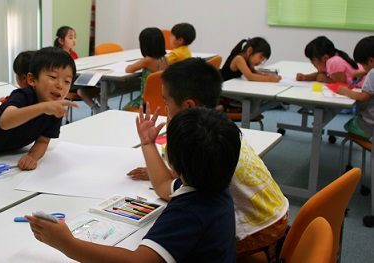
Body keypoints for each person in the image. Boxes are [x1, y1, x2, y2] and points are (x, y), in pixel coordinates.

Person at [26, 106, 240, 263]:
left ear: (173, 163)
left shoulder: (189, 212)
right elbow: (164, 184)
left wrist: (68, 244)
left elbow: (140, 261)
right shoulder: (214, 184)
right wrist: (148, 144)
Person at [128, 58, 289, 262]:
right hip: (276, 213)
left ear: (188, 106)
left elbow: (164, 186)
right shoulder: (223, 130)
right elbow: (170, 180)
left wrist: (153, 148)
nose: (165, 110)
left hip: (262, 229)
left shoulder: (201, 145)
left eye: (167, 103)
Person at [123, 27, 169, 111]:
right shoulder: (165, 59)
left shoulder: (147, 61)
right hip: (160, 99)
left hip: (145, 102)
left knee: (125, 108)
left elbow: (128, 69)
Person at [337, 36, 374, 139]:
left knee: (349, 124)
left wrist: (346, 91)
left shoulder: (372, 73)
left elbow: (363, 97)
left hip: (369, 125)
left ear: (371, 61)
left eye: (363, 65)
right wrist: (365, 71)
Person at [297, 36, 364, 86]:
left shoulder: (333, 62)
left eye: (313, 60)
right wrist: (305, 77)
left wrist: (325, 79)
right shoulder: (329, 60)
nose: (312, 63)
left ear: (325, 57)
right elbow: (319, 74)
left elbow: (340, 84)